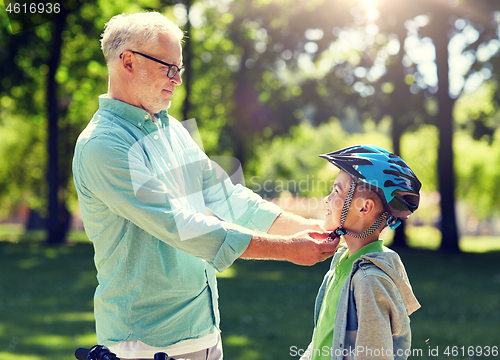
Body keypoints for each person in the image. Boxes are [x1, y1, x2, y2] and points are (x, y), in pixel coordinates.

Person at [72, 11, 339, 360]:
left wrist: (313, 229)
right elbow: (179, 225)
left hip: (204, 333)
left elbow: (229, 198)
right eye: (169, 67)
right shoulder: (103, 146)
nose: (177, 79)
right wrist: (288, 248)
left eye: (179, 69)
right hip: (145, 344)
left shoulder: (171, 130)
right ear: (128, 62)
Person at [299, 145, 422, 360]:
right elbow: (324, 336)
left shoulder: (369, 281)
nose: (327, 199)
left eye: (336, 191)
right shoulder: (343, 263)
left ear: (364, 208)